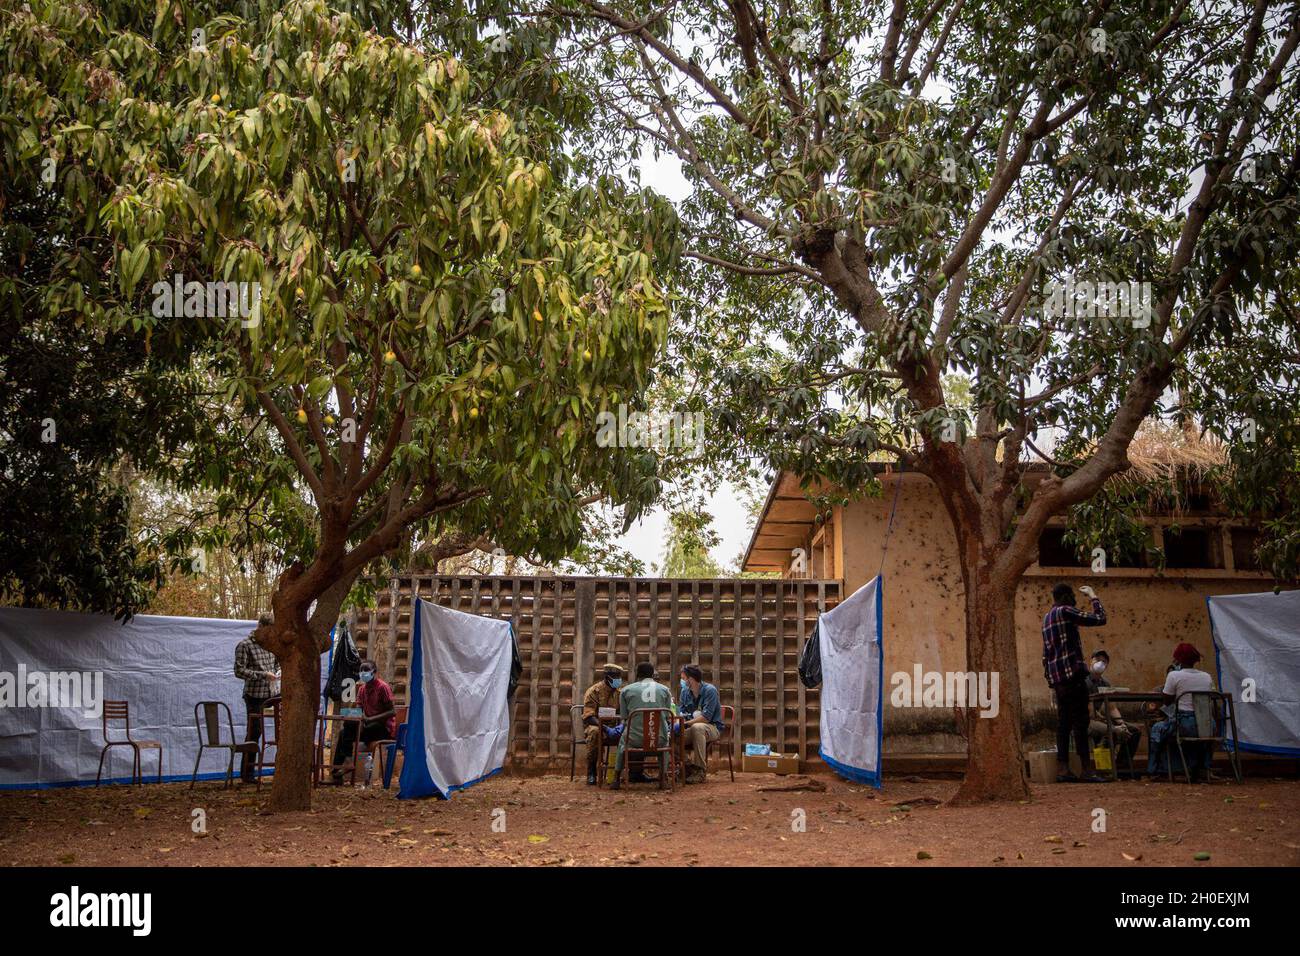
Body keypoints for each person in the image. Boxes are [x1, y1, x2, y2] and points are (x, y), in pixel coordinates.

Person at [1041, 582, 1109, 783]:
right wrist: (1093, 596)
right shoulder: (1065, 611)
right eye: (1072, 595)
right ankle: (1087, 770)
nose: (1074, 599)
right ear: (1064, 597)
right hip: (1073, 676)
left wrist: (1051, 679)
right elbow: (1099, 618)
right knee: (1081, 722)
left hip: (1058, 680)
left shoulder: (1046, 618)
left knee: (1063, 724)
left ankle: (1063, 768)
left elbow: (1046, 654)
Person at [1147, 643, 1216, 780]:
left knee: (1156, 728)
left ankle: (1155, 770)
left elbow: (1167, 701)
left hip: (1185, 725)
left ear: (1178, 660)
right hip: (1207, 725)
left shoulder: (1174, 675)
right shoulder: (1207, 676)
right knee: (1202, 738)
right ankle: (1203, 768)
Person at [331, 660, 396, 785]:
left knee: (347, 730)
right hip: (367, 726)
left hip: (382, 728)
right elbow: (359, 708)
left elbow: (392, 712)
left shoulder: (383, 687)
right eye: (361, 671)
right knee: (343, 732)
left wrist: (370, 719)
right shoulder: (362, 689)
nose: (363, 674)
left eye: (366, 671)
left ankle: (348, 760)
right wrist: (356, 713)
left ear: (374, 673)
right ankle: (337, 772)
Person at [234, 615, 280, 784]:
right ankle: (247, 773)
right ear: (260, 626)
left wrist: (278, 672)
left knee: (280, 729)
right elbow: (239, 671)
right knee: (254, 732)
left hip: (273, 693)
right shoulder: (245, 645)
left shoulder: (272, 644)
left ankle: (279, 769)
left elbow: (277, 664)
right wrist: (262, 675)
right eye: (267, 630)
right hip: (255, 695)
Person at [612, 662, 672, 790]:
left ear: (637, 674)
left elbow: (624, 716)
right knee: (666, 741)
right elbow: (667, 716)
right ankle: (663, 778)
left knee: (623, 742)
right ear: (652, 674)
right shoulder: (665, 690)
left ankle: (616, 778)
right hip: (657, 739)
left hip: (634, 739)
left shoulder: (626, 690)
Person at [1085, 650, 1143, 774]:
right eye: (1097, 659)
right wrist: (1113, 727)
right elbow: (1089, 711)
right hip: (1086, 721)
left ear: (1107, 666)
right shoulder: (1084, 681)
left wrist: (1121, 724)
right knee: (1110, 731)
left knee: (1134, 731)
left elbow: (1111, 708)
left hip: (1098, 719)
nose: (1100, 663)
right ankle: (1104, 769)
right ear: (1091, 661)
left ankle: (1122, 766)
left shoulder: (1105, 683)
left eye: (1104, 661)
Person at [678, 663, 725, 784]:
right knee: (671, 736)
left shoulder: (710, 691)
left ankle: (700, 770)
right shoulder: (684, 692)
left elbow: (706, 718)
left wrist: (686, 723)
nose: (682, 681)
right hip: (691, 727)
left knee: (697, 727)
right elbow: (681, 712)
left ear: (691, 679)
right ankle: (688, 767)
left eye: (683, 678)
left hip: (712, 727)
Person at [580, 664, 625, 785]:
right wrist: (603, 727)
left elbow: (623, 714)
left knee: (632, 731)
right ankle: (591, 772)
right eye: (615, 677)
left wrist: (620, 727)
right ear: (607, 677)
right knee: (595, 732)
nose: (618, 680)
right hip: (596, 725)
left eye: (619, 677)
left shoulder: (620, 693)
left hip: (614, 727)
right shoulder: (594, 691)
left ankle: (630, 773)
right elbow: (589, 716)